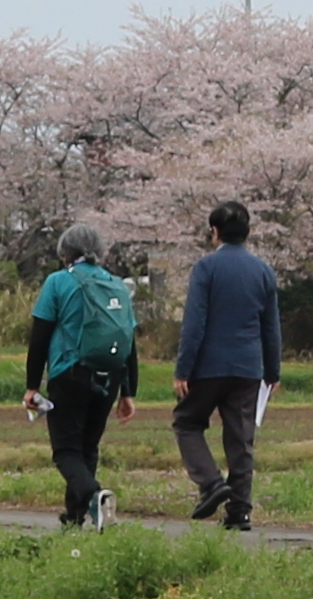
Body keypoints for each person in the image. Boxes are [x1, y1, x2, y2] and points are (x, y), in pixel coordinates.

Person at [20, 220, 143, 528]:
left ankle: (93, 495)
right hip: (111, 377)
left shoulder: (58, 282)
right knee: (88, 447)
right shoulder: (117, 284)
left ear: (65, 253)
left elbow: (40, 337)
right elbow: (128, 340)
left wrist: (32, 386)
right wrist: (128, 391)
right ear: (99, 252)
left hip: (70, 374)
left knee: (65, 451)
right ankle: (75, 518)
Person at [170, 199, 287, 526]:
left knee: (187, 422)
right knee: (240, 438)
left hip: (209, 364)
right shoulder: (263, 270)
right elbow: (271, 326)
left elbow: (195, 323)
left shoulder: (206, 268)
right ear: (247, 233)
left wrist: (183, 368)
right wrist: (272, 370)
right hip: (249, 366)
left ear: (215, 232)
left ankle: (211, 483)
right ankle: (240, 511)